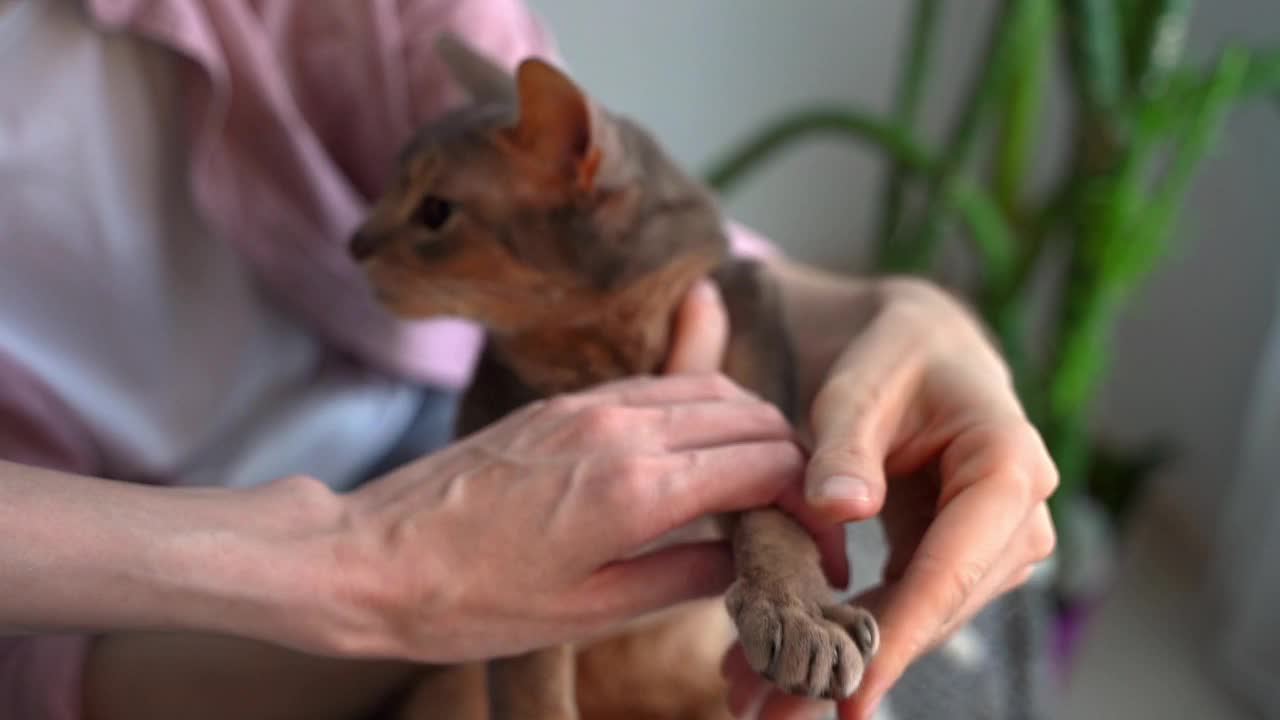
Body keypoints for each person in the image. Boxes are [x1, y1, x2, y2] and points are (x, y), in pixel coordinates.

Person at [0, 1, 1058, 719]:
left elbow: (649, 252)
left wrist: (901, 313)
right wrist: (360, 563)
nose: (363, 245)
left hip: (495, 452)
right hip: (185, 624)